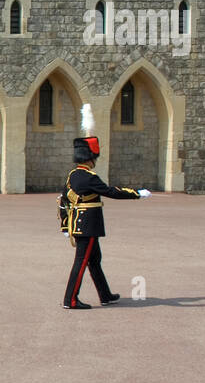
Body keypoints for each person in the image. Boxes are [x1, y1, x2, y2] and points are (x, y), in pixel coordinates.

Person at [60, 110, 150, 310]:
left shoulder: (73, 175)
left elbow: (63, 201)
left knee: (94, 261)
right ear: (90, 158)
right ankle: (70, 300)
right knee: (82, 263)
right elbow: (112, 192)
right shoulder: (89, 177)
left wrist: (65, 226)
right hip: (89, 225)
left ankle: (105, 295)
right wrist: (137, 193)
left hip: (79, 223)